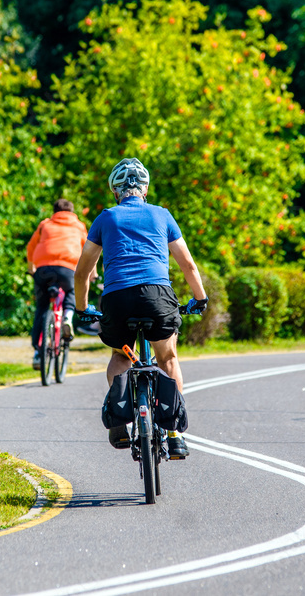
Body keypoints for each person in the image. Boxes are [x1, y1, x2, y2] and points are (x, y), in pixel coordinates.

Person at [73, 158, 207, 460]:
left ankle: (120, 421)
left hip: (118, 298)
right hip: (157, 296)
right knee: (168, 358)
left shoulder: (106, 218)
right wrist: (199, 299)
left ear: (115, 191)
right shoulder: (162, 215)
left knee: (121, 355)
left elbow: (82, 272)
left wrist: (83, 308)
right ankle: (174, 436)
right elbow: (187, 264)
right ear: (144, 189)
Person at [27, 199, 90, 370]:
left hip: (43, 269)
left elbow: (31, 247)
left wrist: (31, 268)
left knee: (41, 307)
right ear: (72, 211)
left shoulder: (44, 224)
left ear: (54, 211)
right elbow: (88, 250)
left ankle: (38, 352)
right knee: (71, 291)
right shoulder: (79, 226)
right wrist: (92, 274)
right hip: (68, 269)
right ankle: (68, 318)